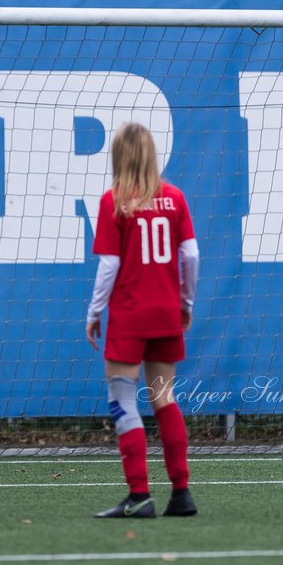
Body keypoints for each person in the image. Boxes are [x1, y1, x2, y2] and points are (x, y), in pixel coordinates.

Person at [85, 122, 199, 519]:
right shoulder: (175, 198)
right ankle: (181, 494)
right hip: (166, 314)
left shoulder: (114, 200)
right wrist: (185, 302)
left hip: (130, 319)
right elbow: (191, 256)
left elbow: (110, 264)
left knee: (122, 401)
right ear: (151, 155)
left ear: (119, 157)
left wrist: (94, 311)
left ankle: (139, 496)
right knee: (164, 397)